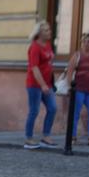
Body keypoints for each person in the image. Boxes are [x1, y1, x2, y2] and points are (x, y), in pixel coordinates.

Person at [24, 20, 57, 149]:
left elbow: (48, 63)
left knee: (53, 108)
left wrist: (49, 82)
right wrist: (42, 85)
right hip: (35, 85)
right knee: (34, 110)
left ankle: (46, 136)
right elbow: (34, 68)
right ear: (39, 33)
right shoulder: (34, 47)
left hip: (47, 84)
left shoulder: (48, 45)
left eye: (49, 29)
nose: (49, 32)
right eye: (46, 30)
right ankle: (28, 138)